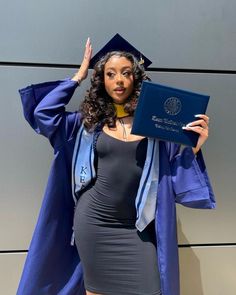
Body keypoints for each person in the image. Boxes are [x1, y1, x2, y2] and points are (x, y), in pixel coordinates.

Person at [17, 36, 215, 295]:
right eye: (110, 74)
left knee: (152, 288)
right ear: (102, 81)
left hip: (137, 227)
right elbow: (44, 114)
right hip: (95, 224)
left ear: (136, 78)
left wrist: (194, 146)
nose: (119, 80)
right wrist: (78, 75)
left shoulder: (156, 127)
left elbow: (173, 180)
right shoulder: (84, 125)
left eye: (125, 73)